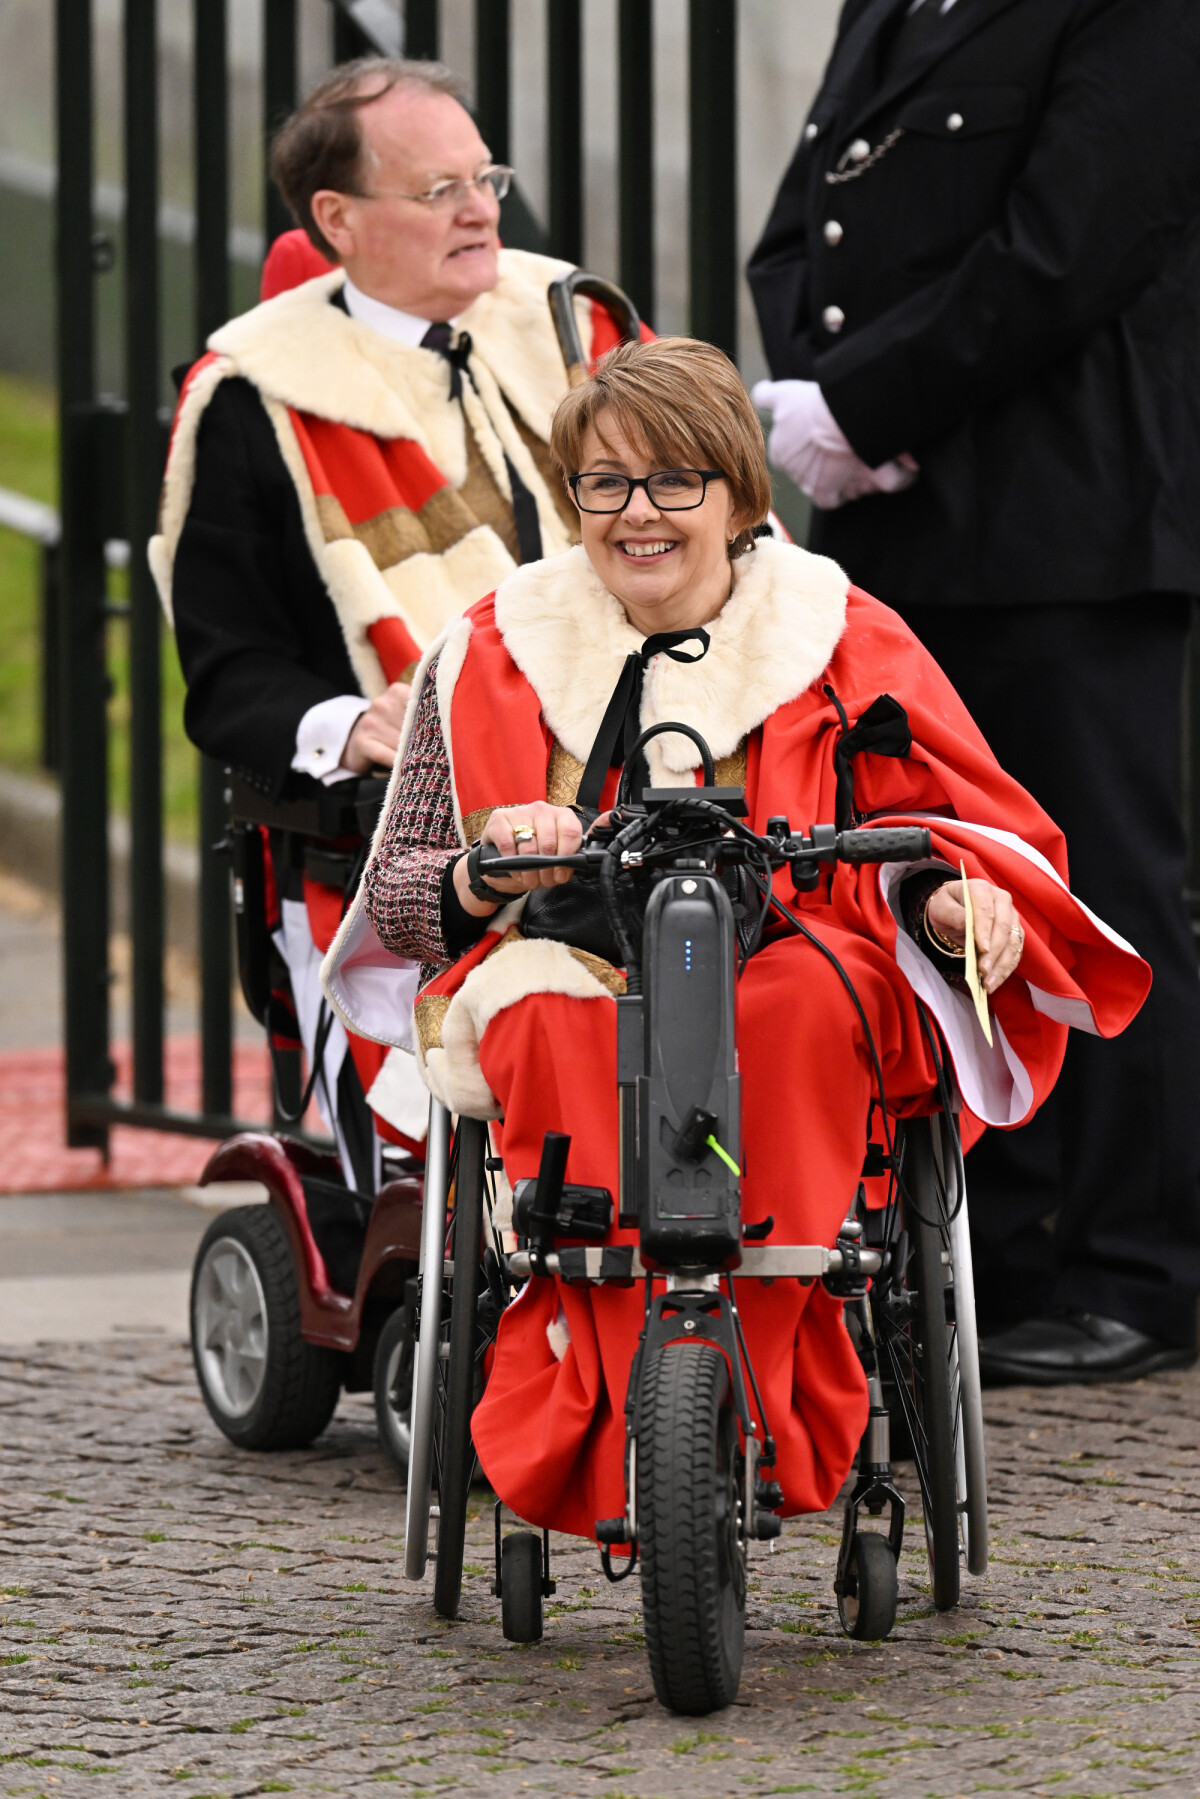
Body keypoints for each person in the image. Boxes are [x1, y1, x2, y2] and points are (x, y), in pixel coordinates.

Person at [322, 336, 1146, 1537]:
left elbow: (937, 826)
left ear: (738, 493)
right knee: (540, 1017)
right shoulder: (492, 643)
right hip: (574, 957)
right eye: (605, 483)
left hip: (795, 947)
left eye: (673, 480)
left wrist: (945, 898)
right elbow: (399, 894)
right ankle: (604, 1399)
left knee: (810, 1008)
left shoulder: (841, 635)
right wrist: (486, 865)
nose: (636, 513)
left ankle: (768, 1391)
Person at [747, 0, 1200, 1384]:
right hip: (909, 522)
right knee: (937, 872)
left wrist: (867, 404)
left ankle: (1137, 1266)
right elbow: (808, 219)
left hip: (1066, 522)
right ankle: (990, 1247)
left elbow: (1071, 245)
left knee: (1099, 884)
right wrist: (823, 393)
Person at [150, 55, 640, 1188]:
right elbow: (230, 672)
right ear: (338, 219)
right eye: (439, 191)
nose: (482, 212)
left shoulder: (574, 328)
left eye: (486, 179)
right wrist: (350, 723)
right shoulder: (253, 396)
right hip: (410, 835)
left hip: (641, 790)